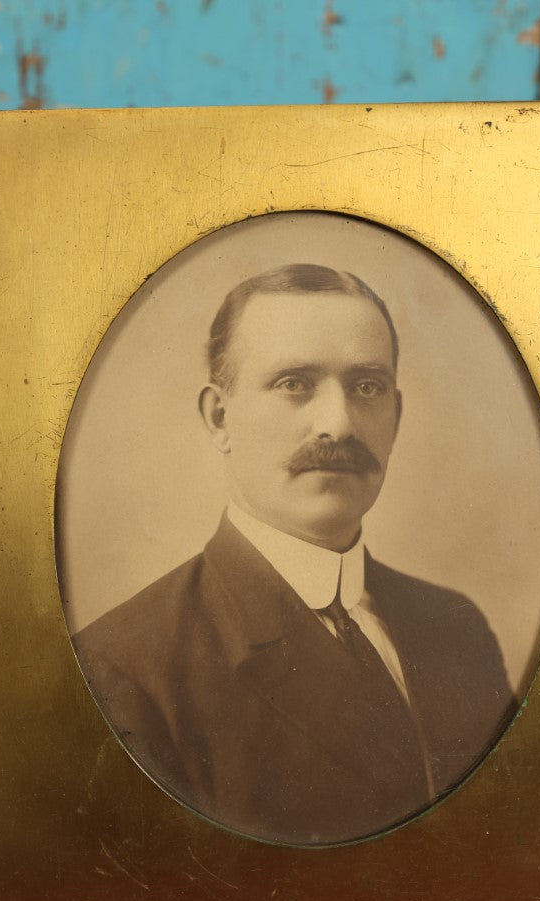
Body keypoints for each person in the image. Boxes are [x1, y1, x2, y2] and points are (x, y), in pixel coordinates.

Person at [74, 264, 516, 846]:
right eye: (294, 384)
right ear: (219, 417)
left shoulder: (458, 627)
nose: (338, 423)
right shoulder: (124, 671)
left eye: (367, 387)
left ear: (397, 417)